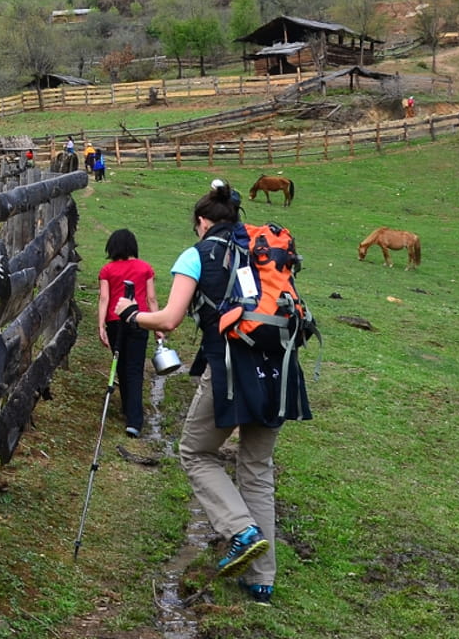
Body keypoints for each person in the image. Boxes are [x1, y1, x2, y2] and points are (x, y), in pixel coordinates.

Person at [113, 179, 311, 607]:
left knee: (196, 452)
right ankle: (262, 582)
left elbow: (168, 320)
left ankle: (241, 530)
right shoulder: (263, 254)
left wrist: (132, 314)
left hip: (230, 366)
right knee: (257, 466)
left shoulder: (197, 254)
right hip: (279, 365)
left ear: (202, 222)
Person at [94, 229, 157, 438]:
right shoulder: (145, 268)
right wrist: (157, 325)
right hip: (140, 320)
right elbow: (151, 298)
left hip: (115, 322)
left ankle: (127, 408)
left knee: (119, 363)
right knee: (134, 367)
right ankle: (134, 420)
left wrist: (101, 325)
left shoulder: (107, 270)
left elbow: (104, 298)